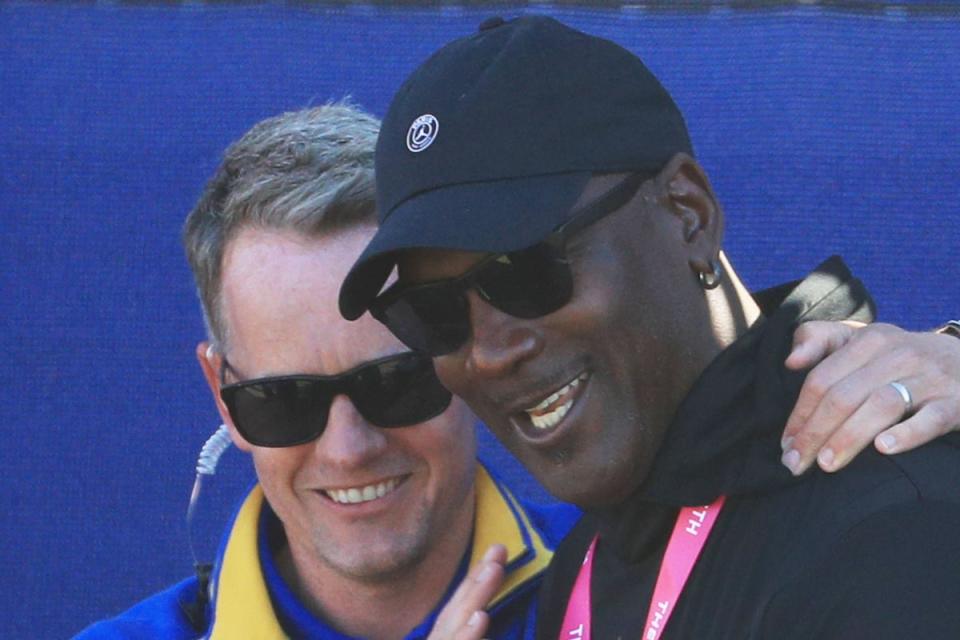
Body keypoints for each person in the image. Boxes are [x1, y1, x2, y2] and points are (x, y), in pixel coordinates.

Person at [338, 16, 960, 639]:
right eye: (434, 311)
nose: (493, 351)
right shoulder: (583, 565)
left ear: (688, 214)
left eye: (527, 270)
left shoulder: (892, 529)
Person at [75, 104, 579, 640]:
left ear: (467, 349)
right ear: (222, 395)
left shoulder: (634, 581)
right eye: (286, 400)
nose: (349, 450)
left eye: (394, 382)